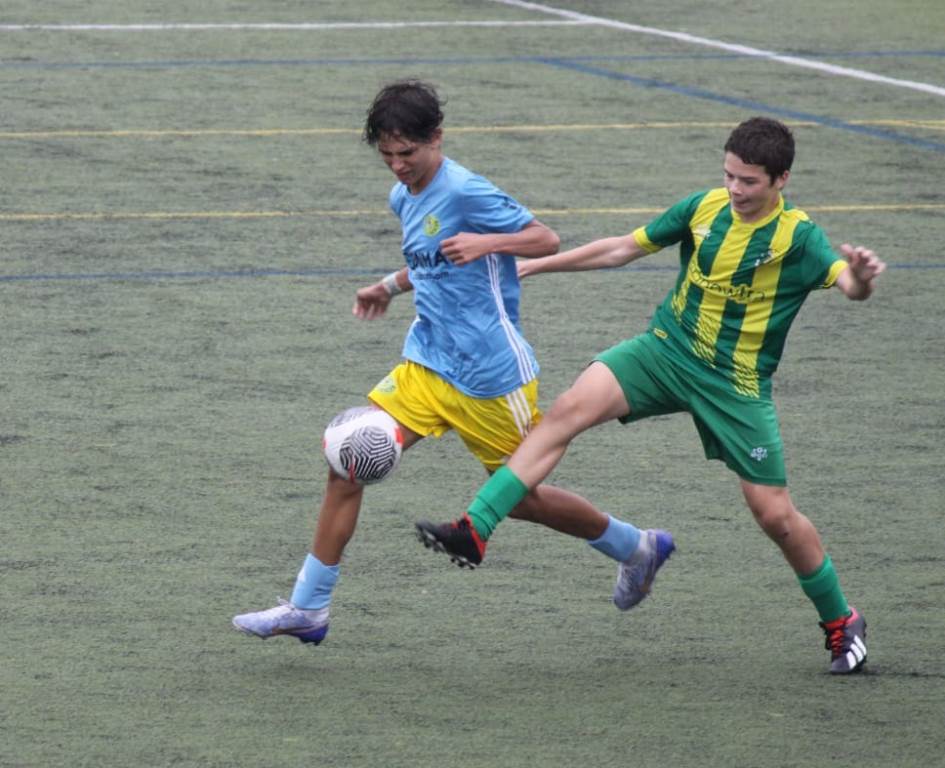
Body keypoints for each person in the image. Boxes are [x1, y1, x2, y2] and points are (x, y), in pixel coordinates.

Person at [416, 116, 884, 675]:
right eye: (730, 175)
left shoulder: (799, 238)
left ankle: (840, 620)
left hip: (734, 387)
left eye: (750, 181)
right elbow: (622, 249)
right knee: (565, 412)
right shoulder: (704, 208)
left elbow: (848, 286)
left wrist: (861, 277)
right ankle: (476, 528)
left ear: (781, 180)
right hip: (664, 352)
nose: (735, 189)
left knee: (775, 517)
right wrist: (535, 264)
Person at [232, 79, 672, 646]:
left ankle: (636, 546)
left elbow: (544, 237)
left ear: (436, 138)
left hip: (490, 377)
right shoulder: (403, 196)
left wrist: (489, 243)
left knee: (522, 501)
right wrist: (389, 285)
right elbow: (431, 263)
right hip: (426, 361)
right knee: (347, 464)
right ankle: (308, 607)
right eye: (387, 155)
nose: (397, 166)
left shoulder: (466, 191)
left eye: (407, 153)